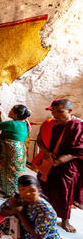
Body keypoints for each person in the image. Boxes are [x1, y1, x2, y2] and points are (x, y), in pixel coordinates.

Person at [36, 99, 83, 232]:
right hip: (50, 161)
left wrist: (68, 157)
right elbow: (40, 140)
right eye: (53, 111)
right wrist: (48, 152)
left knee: (64, 191)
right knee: (44, 187)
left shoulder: (78, 125)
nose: (55, 114)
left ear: (69, 111)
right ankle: (44, 213)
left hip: (68, 166)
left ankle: (64, 220)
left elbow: (80, 147)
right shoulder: (51, 124)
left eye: (60, 111)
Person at [0, 104, 31, 197]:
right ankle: (9, 190)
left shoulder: (12, 123)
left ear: (16, 114)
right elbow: (4, 127)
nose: (9, 111)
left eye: (12, 110)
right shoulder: (24, 122)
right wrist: (0, 117)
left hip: (10, 150)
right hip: (19, 149)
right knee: (14, 171)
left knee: (9, 171)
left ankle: (12, 193)